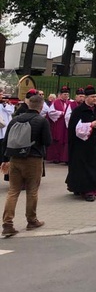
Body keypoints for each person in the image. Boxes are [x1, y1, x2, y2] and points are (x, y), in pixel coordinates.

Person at [1, 94, 52, 237]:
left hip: (14, 159)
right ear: (41, 107)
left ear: (28, 104)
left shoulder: (15, 119)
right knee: (32, 191)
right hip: (33, 159)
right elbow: (48, 141)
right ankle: (31, 220)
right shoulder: (41, 121)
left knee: (13, 191)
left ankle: (7, 224)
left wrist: (5, 159)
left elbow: (6, 141)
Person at [65, 85, 96, 202]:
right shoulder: (79, 111)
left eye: (95, 96)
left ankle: (94, 187)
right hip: (82, 146)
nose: (94, 99)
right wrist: (90, 125)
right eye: (92, 97)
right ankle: (86, 190)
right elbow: (75, 128)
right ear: (86, 97)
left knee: (95, 164)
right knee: (84, 166)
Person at [46, 86, 71, 163]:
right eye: (64, 94)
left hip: (66, 124)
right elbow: (50, 112)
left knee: (65, 140)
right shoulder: (56, 102)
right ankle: (55, 158)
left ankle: (63, 157)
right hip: (58, 123)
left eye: (67, 94)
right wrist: (61, 113)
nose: (66, 96)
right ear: (60, 94)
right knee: (57, 139)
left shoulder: (69, 102)